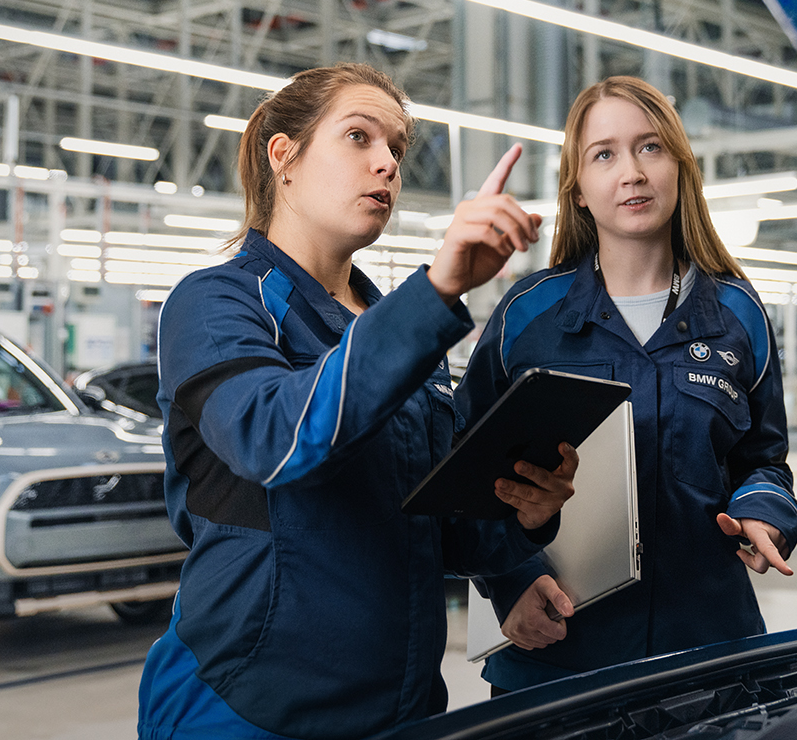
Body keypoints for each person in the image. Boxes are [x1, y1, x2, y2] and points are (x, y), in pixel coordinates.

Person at [137, 63, 579, 740]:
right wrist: (434, 292)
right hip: (245, 704)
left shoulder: (395, 326)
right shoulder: (215, 303)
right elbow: (274, 437)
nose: (388, 164)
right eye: (359, 138)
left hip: (400, 703)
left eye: (397, 149)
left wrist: (523, 524)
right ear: (284, 156)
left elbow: (437, 529)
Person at [456, 76, 797, 693]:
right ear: (580, 190)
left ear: (679, 168)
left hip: (706, 655)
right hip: (558, 660)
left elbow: (765, 461)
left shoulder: (739, 315)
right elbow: (463, 472)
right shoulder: (528, 318)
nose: (632, 172)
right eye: (604, 154)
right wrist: (507, 583)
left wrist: (762, 514)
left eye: (650, 148)